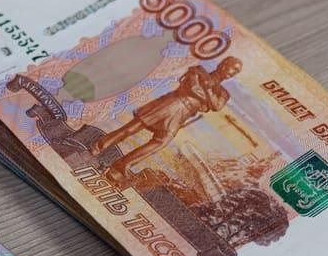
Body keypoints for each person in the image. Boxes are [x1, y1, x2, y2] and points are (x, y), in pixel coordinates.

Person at [91, 56, 242, 183]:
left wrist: (207, 89)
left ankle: (121, 167)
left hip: (183, 114)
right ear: (224, 65)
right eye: (233, 68)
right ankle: (99, 146)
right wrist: (207, 97)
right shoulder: (198, 71)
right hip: (171, 103)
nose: (233, 73)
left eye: (236, 72)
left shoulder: (224, 93)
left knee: (161, 142)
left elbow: (216, 106)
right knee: (132, 128)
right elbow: (192, 88)